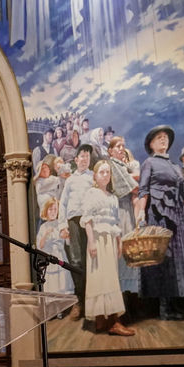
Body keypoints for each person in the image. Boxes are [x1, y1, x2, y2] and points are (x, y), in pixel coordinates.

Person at [135, 126, 184, 321]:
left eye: (165, 137)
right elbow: (143, 190)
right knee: (163, 259)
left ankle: (175, 305)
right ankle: (164, 308)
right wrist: (141, 212)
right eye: (159, 137)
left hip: (177, 215)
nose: (163, 140)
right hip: (158, 215)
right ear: (151, 144)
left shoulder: (175, 167)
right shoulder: (149, 163)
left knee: (177, 260)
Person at [81, 161, 135, 336]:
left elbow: (115, 222)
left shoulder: (112, 198)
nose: (105, 175)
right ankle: (103, 319)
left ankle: (112, 320)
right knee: (99, 277)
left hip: (110, 240)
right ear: (95, 175)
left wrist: (119, 241)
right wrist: (91, 242)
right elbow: (87, 220)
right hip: (97, 239)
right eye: (102, 172)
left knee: (111, 278)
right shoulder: (91, 194)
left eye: (108, 172)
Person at [58, 143, 94, 321]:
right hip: (73, 222)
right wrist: (63, 226)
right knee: (77, 261)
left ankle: (92, 303)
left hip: (91, 222)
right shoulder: (70, 180)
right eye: (82, 156)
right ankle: (79, 301)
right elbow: (63, 204)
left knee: (92, 261)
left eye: (88, 156)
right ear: (76, 159)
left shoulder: (94, 177)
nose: (85, 159)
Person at [107, 137, 140, 295]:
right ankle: (124, 294)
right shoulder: (113, 165)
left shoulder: (123, 165)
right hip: (119, 209)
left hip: (127, 209)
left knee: (131, 247)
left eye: (123, 146)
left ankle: (132, 293)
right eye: (117, 146)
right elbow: (133, 188)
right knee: (123, 247)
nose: (121, 148)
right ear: (110, 150)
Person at [35, 197, 73, 297]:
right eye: (50, 209)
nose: (53, 212)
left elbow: (67, 241)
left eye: (55, 209)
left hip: (60, 255)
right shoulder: (44, 227)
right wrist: (46, 234)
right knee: (52, 284)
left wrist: (66, 236)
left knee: (63, 282)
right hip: (49, 258)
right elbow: (40, 246)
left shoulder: (60, 224)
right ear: (46, 211)